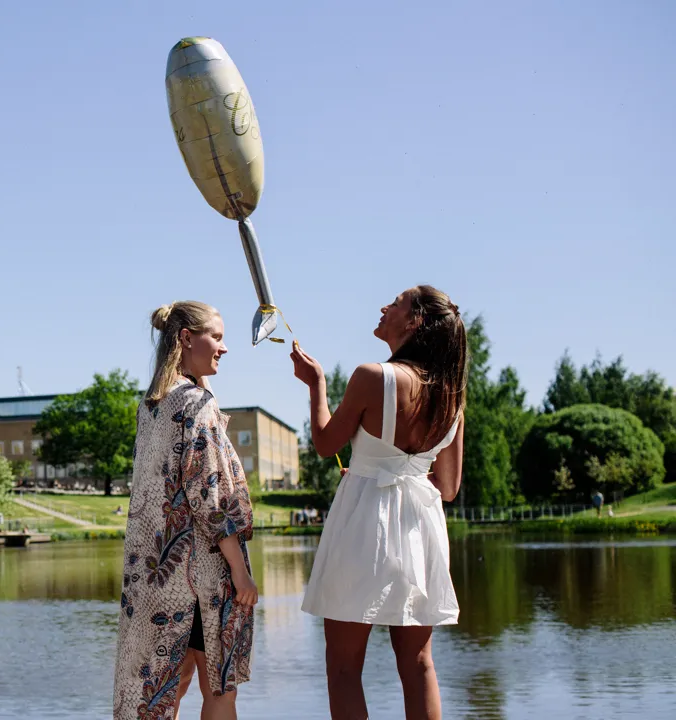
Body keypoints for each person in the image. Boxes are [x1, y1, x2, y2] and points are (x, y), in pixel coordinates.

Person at [291, 285, 468, 720]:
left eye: (397, 302)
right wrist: (394, 469)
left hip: (364, 525)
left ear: (416, 321)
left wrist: (317, 385)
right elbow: (447, 487)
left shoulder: (372, 376)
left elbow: (326, 441)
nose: (385, 306)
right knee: (418, 664)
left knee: (344, 669)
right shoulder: (452, 397)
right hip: (420, 528)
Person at [113, 301, 257, 720]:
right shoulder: (196, 404)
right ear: (185, 338)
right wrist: (239, 571)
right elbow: (211, 495)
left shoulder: (153, 405)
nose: (224, 347)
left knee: (163, 687)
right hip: (202, 574)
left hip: (155, 577)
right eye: (216, 336)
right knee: (219, 688)